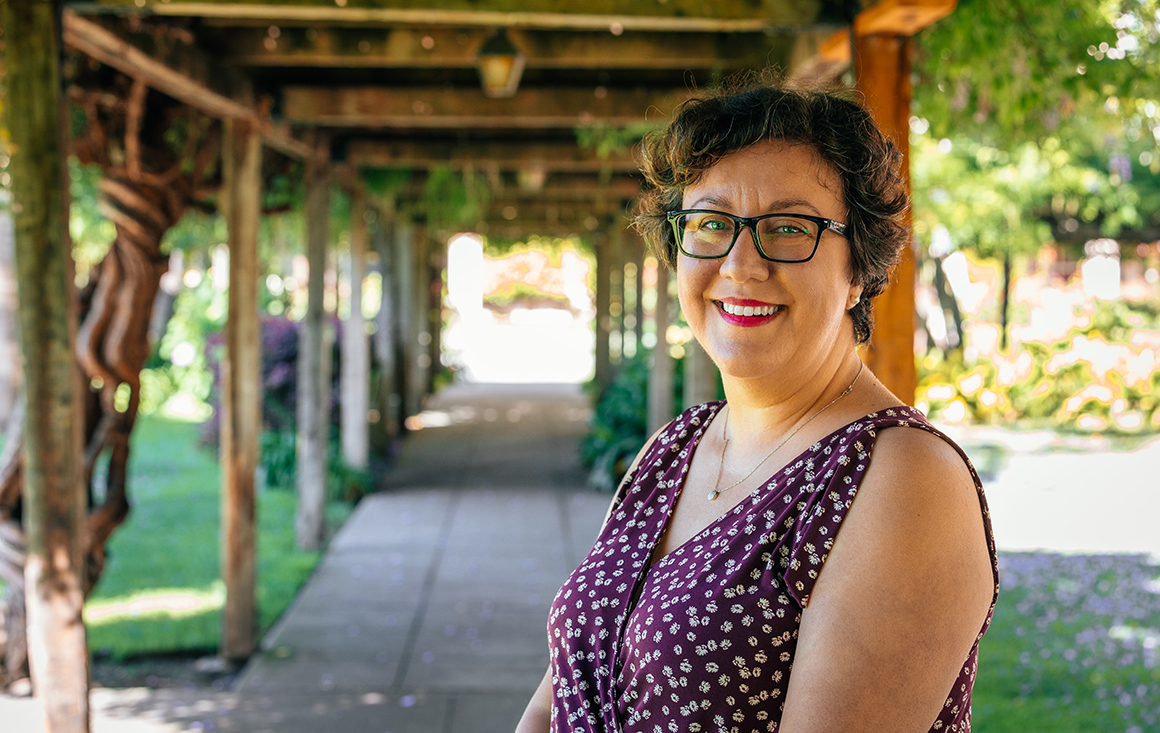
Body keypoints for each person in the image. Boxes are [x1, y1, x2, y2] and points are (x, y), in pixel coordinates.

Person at [516, 79, 998, 733]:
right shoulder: (674, 449)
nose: (742, 263)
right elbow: (556, 698)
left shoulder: (903, 479)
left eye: (788, 228)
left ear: (858, 266)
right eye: (711, 224)